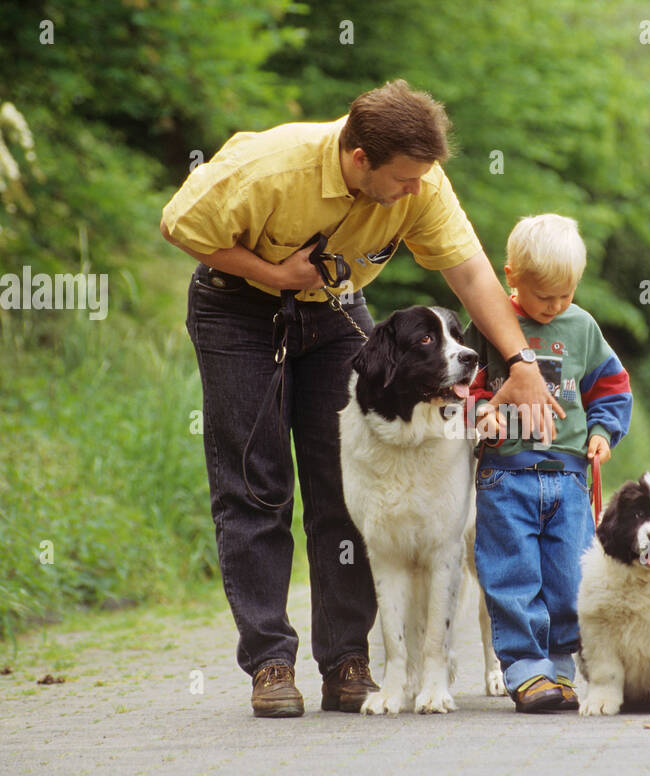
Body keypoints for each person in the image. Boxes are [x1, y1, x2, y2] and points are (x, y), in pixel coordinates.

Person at [159, 80, 564, 718]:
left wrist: (521, 361)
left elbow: (469, 272)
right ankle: (270, 662)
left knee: (342, 488)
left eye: (421, 179)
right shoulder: (271, 166)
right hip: (236, 307)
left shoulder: (421, 183)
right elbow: (178, 223)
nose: (414, 192)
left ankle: (346, 659)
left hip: (334, 309)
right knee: (255, 482)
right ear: (358, 161)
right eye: (403, 180)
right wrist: (271, 274)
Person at [465, 214, 633, 713]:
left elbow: (611, 387)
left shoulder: (582, 327)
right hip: (504, 478)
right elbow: (460, 386)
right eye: (544, 297)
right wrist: (481, 415)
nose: (555, 306)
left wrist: (602, 434)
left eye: (565, 295)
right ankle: (524, 670)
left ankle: (559, 669)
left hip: (567, 478)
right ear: (511, 275)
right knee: (511, 574)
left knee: (569, 575)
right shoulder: (489, 321)